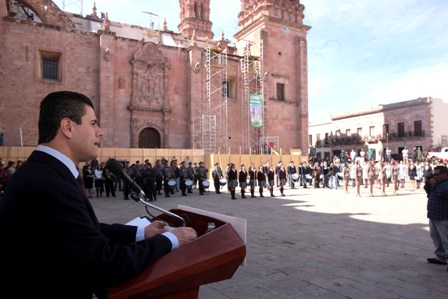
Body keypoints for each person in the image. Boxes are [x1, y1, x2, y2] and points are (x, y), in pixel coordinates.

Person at [0, 91, 197, 298]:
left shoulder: (46, 172)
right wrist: (170, 240)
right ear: (68, 127)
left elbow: (82, 231)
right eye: (93, 123)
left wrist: (142, 233)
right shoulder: (50, 183)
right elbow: (104, 264)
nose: (100, 132)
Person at [425, 165, 448, 267]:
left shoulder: (446, 185)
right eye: (434, 175)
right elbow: (428, 191)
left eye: (437, 175)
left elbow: (440, 193)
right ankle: (441, 257)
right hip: (433, 215)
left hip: (443, 216)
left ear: (445, 174)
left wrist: (433, 185)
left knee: (446, 239)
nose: (435, 177)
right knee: (436, 237)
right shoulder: (437, 183)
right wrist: (428, 184)